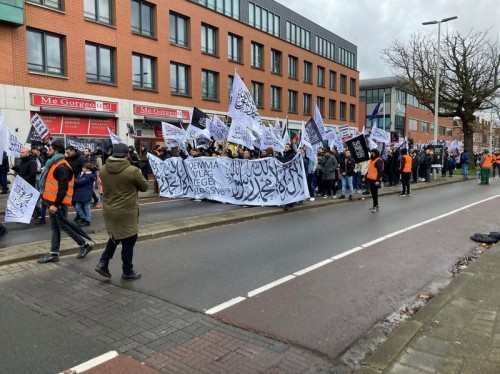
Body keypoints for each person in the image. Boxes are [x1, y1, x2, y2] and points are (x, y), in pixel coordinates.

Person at [95, 143, 149, 281]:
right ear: (127, 155)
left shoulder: (103, 170)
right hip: (126, 211)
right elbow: (145, 187)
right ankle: (127, 270)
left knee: (115, 236)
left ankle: (103, 262)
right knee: (129, 240)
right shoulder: (133, 171)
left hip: (109, 209)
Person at [37, 141, 94, 263]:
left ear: (56, 151)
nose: (47, 152)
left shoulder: (62, 167)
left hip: (58, 204)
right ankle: (54, 253)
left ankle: (84, 244)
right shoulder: (55, 164)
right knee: (56, 227)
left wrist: (55, 205)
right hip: (53, 202)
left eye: (50, 150)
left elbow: (63, 188)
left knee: (63, 226)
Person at [364, 148, 384, 213]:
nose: (371, 154)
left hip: (375, 180)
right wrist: (365, 177)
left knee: (374, 194)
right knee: (373, 194)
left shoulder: (378, 160)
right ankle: (376, 205)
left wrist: (378, 180)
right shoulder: (372, 160)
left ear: (374, 153)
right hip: (371, 179)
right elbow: (370, 170)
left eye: (371, 153)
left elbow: (380, 171)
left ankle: (375, 207)